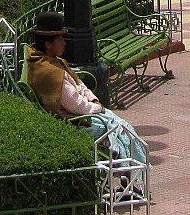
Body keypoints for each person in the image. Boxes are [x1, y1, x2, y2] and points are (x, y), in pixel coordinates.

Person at [26, 11, 150, 165]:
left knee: (122, 126)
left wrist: (93, 99)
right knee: (122, 130)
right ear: (48, 44)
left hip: (82, 113)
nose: (65, 43)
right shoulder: (49, 72)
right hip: (73, 121)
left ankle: (132, 173)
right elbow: (77, 105)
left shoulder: (52, 61)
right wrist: (98, 108)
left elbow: (80, 85)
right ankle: (132, 172)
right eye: (60, 39)